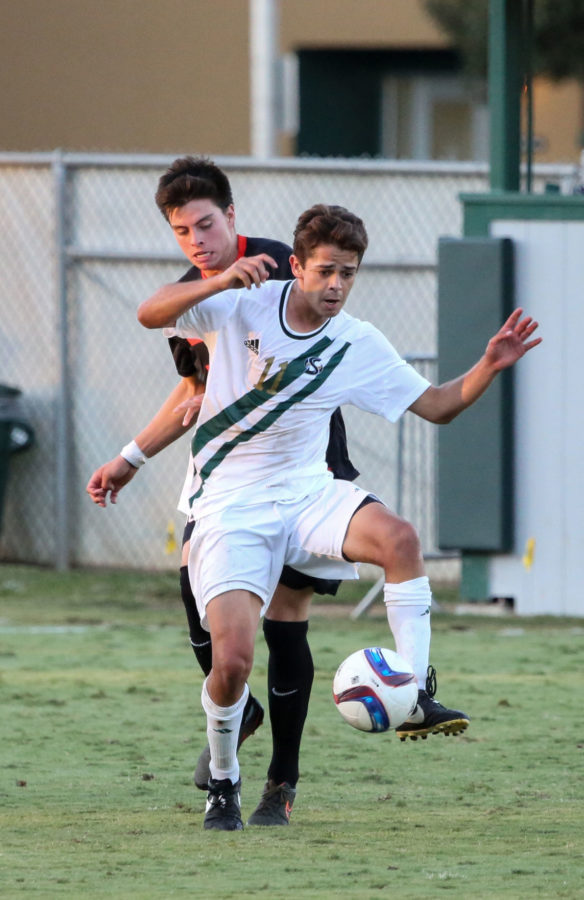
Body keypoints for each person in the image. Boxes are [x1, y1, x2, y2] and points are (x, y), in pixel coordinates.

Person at [139, 204, 541, 831]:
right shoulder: (245, 302)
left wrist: (488, 364)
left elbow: (437, 406)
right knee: (233, 665)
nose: (336, 286)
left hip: (306, 494)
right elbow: (151, 312)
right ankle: (224, 783)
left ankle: (413, 692)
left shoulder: (357, 341)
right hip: (232, 505)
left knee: (400, 540)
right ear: (296, 266)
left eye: (348, 274)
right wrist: (219, 280)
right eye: (326, 271)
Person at [87, 158, 358, 823]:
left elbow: (320, 339)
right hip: (226, 482)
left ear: (231, 217)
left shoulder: (277, 263)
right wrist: (130, 456)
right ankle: (241, 704)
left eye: (205, 224)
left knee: (286, 617)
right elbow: (193, 387)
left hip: (304, 470)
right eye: (182, 231)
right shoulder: (188, 294)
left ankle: (281, 786)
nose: (196, 241)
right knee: (198, 592)